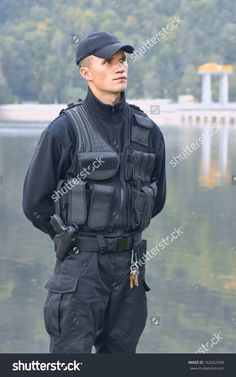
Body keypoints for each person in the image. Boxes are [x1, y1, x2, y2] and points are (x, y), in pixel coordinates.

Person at [22, 31, 166, 353]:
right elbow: (34, 203)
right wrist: (70, 238)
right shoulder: (64, 130)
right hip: (80, 268)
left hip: (131, 267)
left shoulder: (149, 131)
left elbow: (157, 199)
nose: (120, 67)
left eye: (123, 60)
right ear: (85, 72)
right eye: (108, 61)